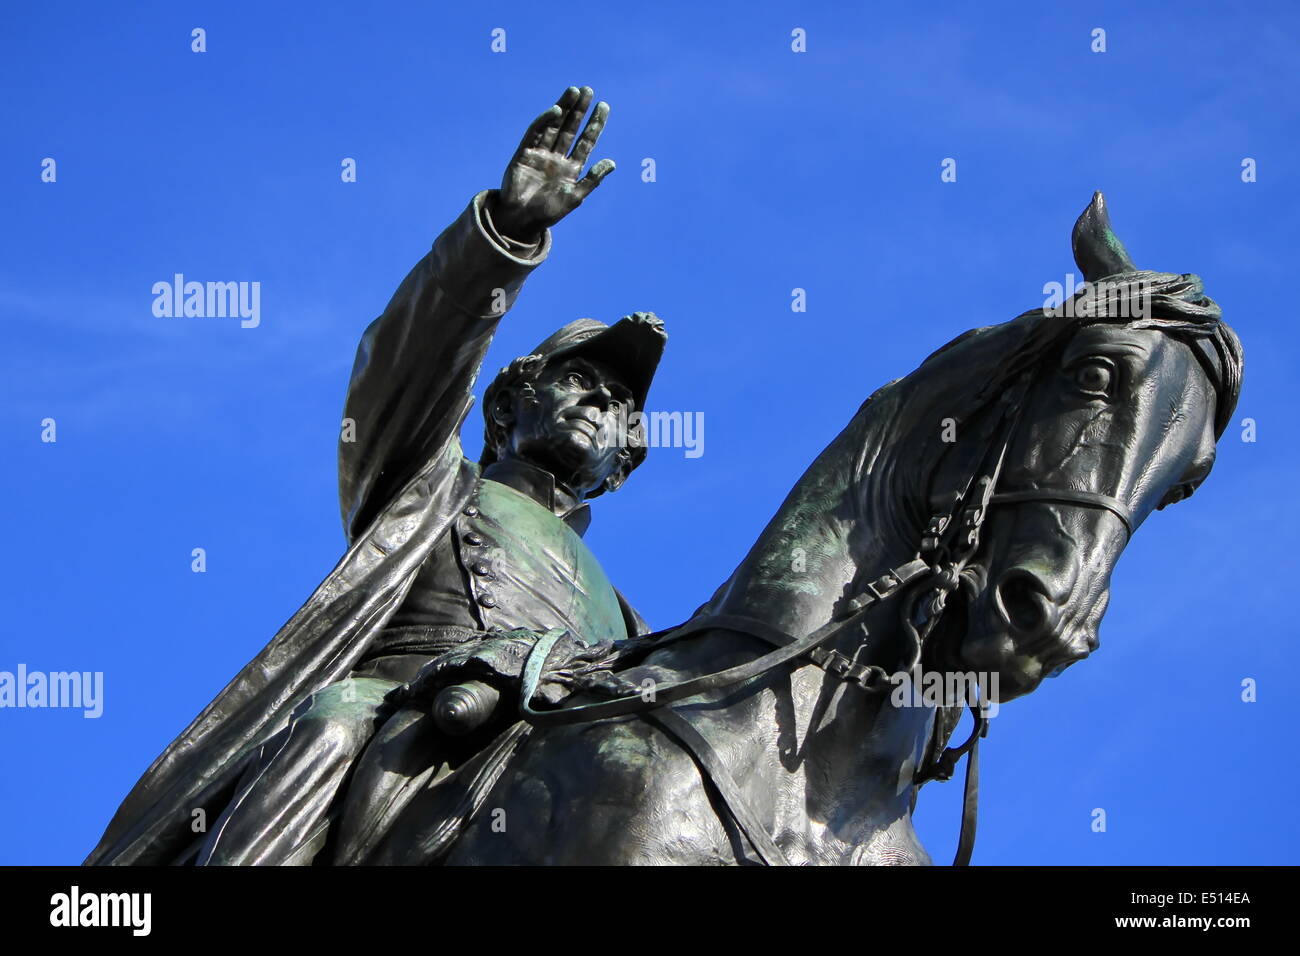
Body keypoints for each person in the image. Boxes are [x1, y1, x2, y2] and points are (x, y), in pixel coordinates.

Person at [85, 86, 667, 866]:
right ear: (507, 407)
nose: (601, 398)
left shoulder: (635, 625)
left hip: (547, 774)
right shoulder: (431, 479)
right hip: (396, 714)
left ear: (621, 467)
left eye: (622, 403)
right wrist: (506, 233)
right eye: (578, 378)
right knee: (331, 723)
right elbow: (407, 362)